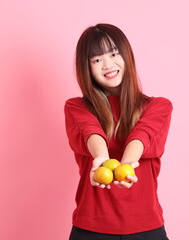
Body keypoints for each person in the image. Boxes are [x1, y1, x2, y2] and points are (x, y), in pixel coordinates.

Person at [64, 23, 172, 240]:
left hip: (146, 228)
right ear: (86, 67)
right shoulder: (76, 107)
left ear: (126, 55)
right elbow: (90, 132)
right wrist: (102, 158)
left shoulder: (158, 106)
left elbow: (142, 135)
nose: (107, 64)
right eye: (96, 59)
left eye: (114, 53)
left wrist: (127, 164)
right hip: (91, 229)